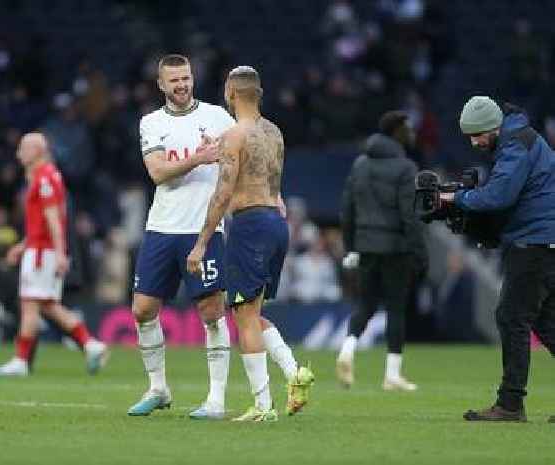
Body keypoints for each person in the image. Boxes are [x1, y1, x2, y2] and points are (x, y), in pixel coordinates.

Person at [128, 55, 301, 420]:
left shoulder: (218, 117)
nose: (181, 85)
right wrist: (198, 157)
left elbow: (252, 153)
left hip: (205, 226)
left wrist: (274, 193)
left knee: (212, 312)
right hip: (162, 226)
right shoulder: (151, 122)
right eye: (173, 80)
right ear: (160, 85)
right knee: (142, 309)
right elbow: (158, 172)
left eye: (186, 78)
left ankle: (216, 400)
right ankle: (158, 388)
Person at [187, 66, 315, 422]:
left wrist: (201, 243)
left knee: (243, 317)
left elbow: (222, 192)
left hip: (249, 226)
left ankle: (262, 406)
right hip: (276, 223)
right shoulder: (274, 132)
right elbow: (271, 181)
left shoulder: (233, 135)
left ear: (230, 93)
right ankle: (294, 372)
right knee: (251, 313)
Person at [442, 97, 555, 422]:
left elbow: (499, 195)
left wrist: (457, 198)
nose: (474, 142)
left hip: (534, 241)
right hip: (544, 239)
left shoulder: (516, 144)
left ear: (493, 126)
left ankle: (510, 404)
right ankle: (510, 403)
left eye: (477, 135)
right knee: (546, 323)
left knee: (512, 317)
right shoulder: (521, 139)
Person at [0, 132, 108, 376]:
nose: (18, 153)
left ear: (37, 151)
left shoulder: (44, 178)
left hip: (42, 253)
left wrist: (60, 252)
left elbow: (54, 219)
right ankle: (90, 344)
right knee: (48, 305)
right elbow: (42, 222)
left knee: (30, 304)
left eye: (23, 148)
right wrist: (23, 245)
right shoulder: (50, 175)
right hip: (40, 249)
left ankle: (21, 360)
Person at [336, 111, 427, 391]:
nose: (411, 132)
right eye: (407, 128)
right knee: (396, 309)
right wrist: (419, 251)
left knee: (366, 304)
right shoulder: (405, 168)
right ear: (397, 132)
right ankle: (392, 374)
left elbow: (347, 211)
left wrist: (350, 247)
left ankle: (347, 350)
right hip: (396, 248)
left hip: (365, 246)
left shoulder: (360, 164)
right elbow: (409, 216)